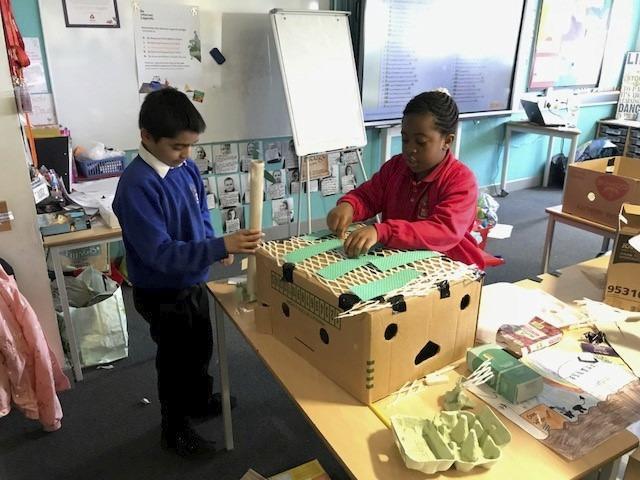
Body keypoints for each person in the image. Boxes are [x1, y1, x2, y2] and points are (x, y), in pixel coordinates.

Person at [113, 88, 263, 457]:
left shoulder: (186, 168)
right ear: (147, 137)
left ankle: (198, 401)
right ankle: (174, 427)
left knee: (201, 346)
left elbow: (199, 213)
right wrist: (218, 247)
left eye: (191, 146)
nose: (187, 154)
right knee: (176, 359)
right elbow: (160, 254)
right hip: (161, 290)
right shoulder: (135, 187)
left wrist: (213, 241)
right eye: (178, 147)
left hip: (192, 278)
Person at [326, 90, 484, 268]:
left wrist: (384, 231)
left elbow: (443, 230)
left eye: (421, 142)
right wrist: (349, 206)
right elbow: (368, 196)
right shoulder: (396, 167)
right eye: (405, 139)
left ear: (447, 141)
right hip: (398, 260)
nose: (410, 149)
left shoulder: (461, 180)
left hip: (447, 266)